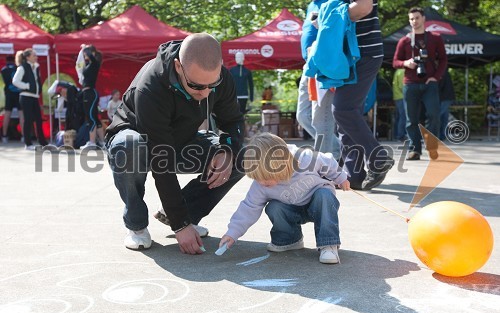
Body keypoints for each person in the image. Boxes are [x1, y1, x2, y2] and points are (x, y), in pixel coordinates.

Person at [105, 33, 245, 254]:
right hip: (140, 141)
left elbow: (233, 121)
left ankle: (184, 212)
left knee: (244, 156)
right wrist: (181, 226)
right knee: (129, 146)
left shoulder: (219, 78)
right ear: (179, 67)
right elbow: (162, 160)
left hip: (183, 140)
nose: (205, 92)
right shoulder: (151, 87)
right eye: (197, 86)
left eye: (213, 84)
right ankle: (137, 224)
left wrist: (226, 150)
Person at [219, 133, 350, 264]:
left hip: (318, 204)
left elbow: (328, 161)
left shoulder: (307, 159)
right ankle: (290, 239)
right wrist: (232, 233)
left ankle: (328, 245)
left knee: (324, 194)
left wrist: (341, 178)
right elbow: (249, 207)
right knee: (274, 207)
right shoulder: (260, 185)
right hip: (291, 209)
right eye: (257, 177)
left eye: (266, 177)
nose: (262, 182)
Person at [309, 0, 394, 190]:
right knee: (346, 114)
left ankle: (378, 158)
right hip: (350, 54)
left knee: (343, 110)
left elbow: (364, 8)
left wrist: (327, 18)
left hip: (364, 53)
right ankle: (353, 174)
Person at [393, 7, 447, 161]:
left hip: (430, 83)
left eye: (417, 18)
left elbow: (443, 59)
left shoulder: (435, 38)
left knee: (434, 115)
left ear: (423, 19)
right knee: (411, 119)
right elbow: (395, 62)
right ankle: (414, 149)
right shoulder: (405, 40)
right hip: (410, 84)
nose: (414, 21)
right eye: (411, 19)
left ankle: (432, 148)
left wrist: (436, 77)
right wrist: (406, 62)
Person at [296, 1, 328, 142]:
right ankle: (335, 146)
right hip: (308, 65)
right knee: (302, 116)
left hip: (320, 63)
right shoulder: (311, 5)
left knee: (319, 120)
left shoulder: (329, 3)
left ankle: (331, 152)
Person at [12, 48, 48, 150]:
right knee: (28, 120)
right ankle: (28, 143)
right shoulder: (22, 67)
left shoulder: (36, 67)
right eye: (34, 55)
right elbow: (15, 81)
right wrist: (27, 86)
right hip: (25, 96)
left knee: (38, 119)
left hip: (34, 97)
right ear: (28, 57)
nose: (36, 57)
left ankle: (42, 142)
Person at [78, 44, 104, 149]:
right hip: (86, 93)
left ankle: (92, 142)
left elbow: (89, 54)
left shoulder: (94, 63)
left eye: (86, 53)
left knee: (91, 118)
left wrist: (85, 48)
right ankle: (102, 142)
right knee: (95, 118)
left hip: (90, 93)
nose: (85, 55)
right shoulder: (89, 64)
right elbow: (79, 65)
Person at [1, 55, 24, 143]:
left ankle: (4, 136)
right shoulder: (18, 68)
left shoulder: (3, 69)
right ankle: (23, 136)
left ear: (6, 60)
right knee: (21, 114)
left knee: (7, 114)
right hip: (19, 93)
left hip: (9, 94)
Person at [438, 68, 455, 140]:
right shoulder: (445, 72)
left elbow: (440, 86)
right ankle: (443, 135)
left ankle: (438, 135)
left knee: (438, 115)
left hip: (444, 97)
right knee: (444, 116)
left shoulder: (441, 73)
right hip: (448, 97)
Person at [392, 68, 407, 141]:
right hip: (402, 97)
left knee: (398, 117)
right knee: (403, 116)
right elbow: (402, 86)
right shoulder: (402, 71)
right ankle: (400, 135)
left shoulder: (397, 71)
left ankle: (396, 135)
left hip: (397, 96)